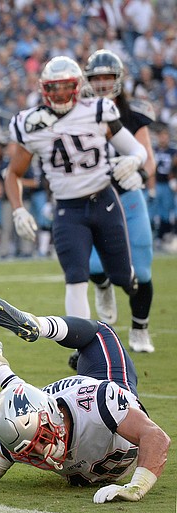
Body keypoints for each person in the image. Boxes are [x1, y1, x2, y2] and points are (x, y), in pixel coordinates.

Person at [0, 294, 170, 504]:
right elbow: (12, 447)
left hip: (100, 387)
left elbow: (156, 438)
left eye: (42, 440)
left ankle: (37, 325)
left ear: (53, 418)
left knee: (100, 332)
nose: (40, 453)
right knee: (22, 406)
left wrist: (137, 487)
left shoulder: (99, 403)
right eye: (29, 451)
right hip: (53, 402)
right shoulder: (18, 439)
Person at [5, 57, 147, 324]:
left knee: (121, 276)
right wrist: (18, 210)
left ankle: (115, 282)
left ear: (77, 85)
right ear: (43, 88)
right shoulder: (30, 123)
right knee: (75, 277)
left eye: (65, 86)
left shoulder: (98, 110)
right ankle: (85, 345)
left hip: (104, 201)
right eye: (53, 87)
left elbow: (136, 149)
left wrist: (135, 161)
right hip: (68, 209)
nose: (59, 93)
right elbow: (13, 173)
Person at [84, 50, 158, 354]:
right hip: (96, 198)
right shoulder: (80, 113)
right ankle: (103, 288)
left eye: (107, 77)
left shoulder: (132, 114)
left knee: (141, 270)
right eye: (97, 77)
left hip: (128, 197)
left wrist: (138, 173)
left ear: (118, 79)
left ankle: (140, 329)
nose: (102, 83)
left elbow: (149, 162)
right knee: (94, 267)